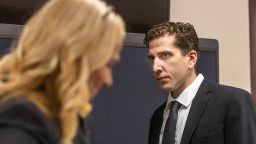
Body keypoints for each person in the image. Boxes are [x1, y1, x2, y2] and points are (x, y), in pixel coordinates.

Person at [0, 0, 125, 144]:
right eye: (108, 64)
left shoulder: (67, 116)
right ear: (74, 58)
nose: (108, 80)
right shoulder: (23, 118)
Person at [144, 22, 256, 144]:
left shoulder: (234, 102)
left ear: (191, 59)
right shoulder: (157, 117)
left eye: (165, 55)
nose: (156, 67)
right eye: (152, 58)